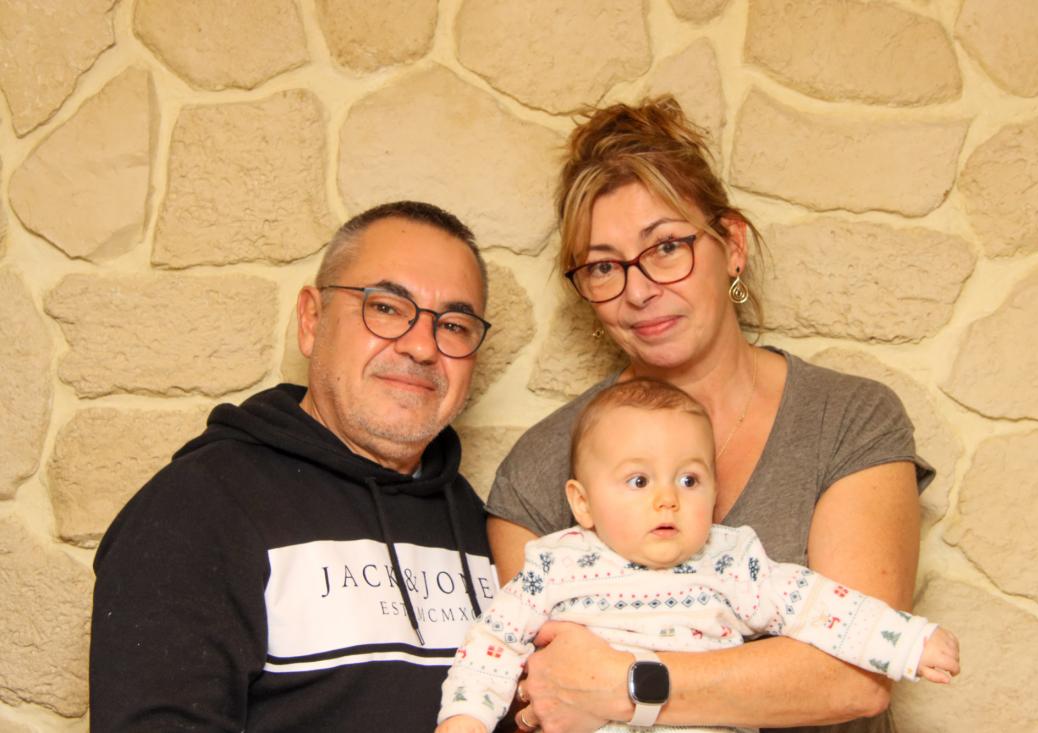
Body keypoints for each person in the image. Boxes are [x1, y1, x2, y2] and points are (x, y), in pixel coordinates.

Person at [486, 96, 936, 733]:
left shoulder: (845, 418)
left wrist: (630, 685)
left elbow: (855, 680)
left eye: (667, 247)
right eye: (604, 266)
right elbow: (553, 693)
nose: (640, 290)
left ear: (733, 245)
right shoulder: (539, 467)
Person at [90, 201, 498, 732]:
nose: (422, 347)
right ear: (312, 319)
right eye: (385, 307)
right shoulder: (197, 509)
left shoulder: (480, 524)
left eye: (455, 325)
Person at [438, 380, 959, 733]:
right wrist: (464, 720)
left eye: (689, 480)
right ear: (583, 503)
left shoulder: (730, 561)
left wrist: (907, 641)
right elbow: (494, 643)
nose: (667, 499)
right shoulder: (555, 566)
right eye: (638, 481)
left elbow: (820, 605)